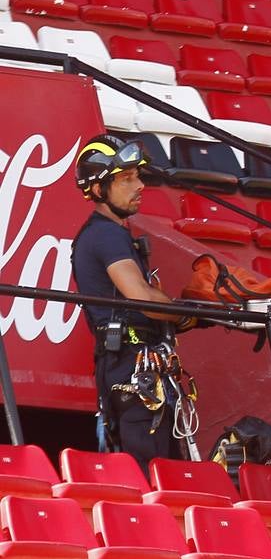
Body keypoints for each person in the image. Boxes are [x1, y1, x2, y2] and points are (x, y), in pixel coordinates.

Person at [71, 134, 195, 473]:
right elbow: (141, 298)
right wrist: (189, 314)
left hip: (135, 368)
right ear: (98, 190)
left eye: (138, 176)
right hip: (131, 368)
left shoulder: (113, 234)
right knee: (149, 473)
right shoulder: (105, 234)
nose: (139, 185)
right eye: (127, 179)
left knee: (161, 472)